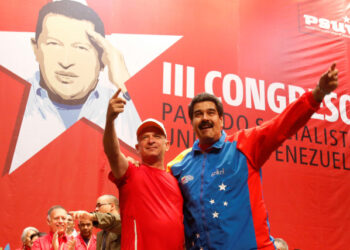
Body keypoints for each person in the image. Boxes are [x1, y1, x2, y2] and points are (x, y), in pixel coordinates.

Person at [168, 64, 339, 249]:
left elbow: (282, 125)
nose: (205, 118)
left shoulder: (244, 145)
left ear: (221, 120)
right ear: (192, 122)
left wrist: (318, 93)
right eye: (198, 114)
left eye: (211, 113)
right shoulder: (180, 166)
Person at [10, 0, 141, 173]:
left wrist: (124, 84)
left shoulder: (121, 105)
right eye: (54, 44)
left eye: (81, 48)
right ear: (36, 49)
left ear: (103, 58)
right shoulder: (12, 102)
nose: (65, 62)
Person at [102, 89, 184, 249]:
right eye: (145, 137)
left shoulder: (177, 180)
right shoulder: (131, 171)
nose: (151, 140)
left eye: (157, 136)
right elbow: (112, 153)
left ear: (167, 145)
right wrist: (110, 120)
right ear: (137, 147)